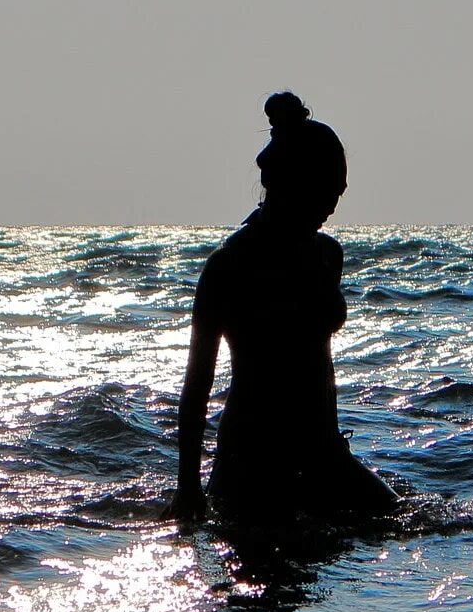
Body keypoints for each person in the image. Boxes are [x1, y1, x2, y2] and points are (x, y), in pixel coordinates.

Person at [164, 91, 397, 528]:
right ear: (292, 183)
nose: (332, 206)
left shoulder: (328, 255)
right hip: (252, 460)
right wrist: (189, 488)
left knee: (424, 527)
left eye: (339, 193)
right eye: (325, 191)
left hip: (324, 452)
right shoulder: (229, 266)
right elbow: (196, 389)